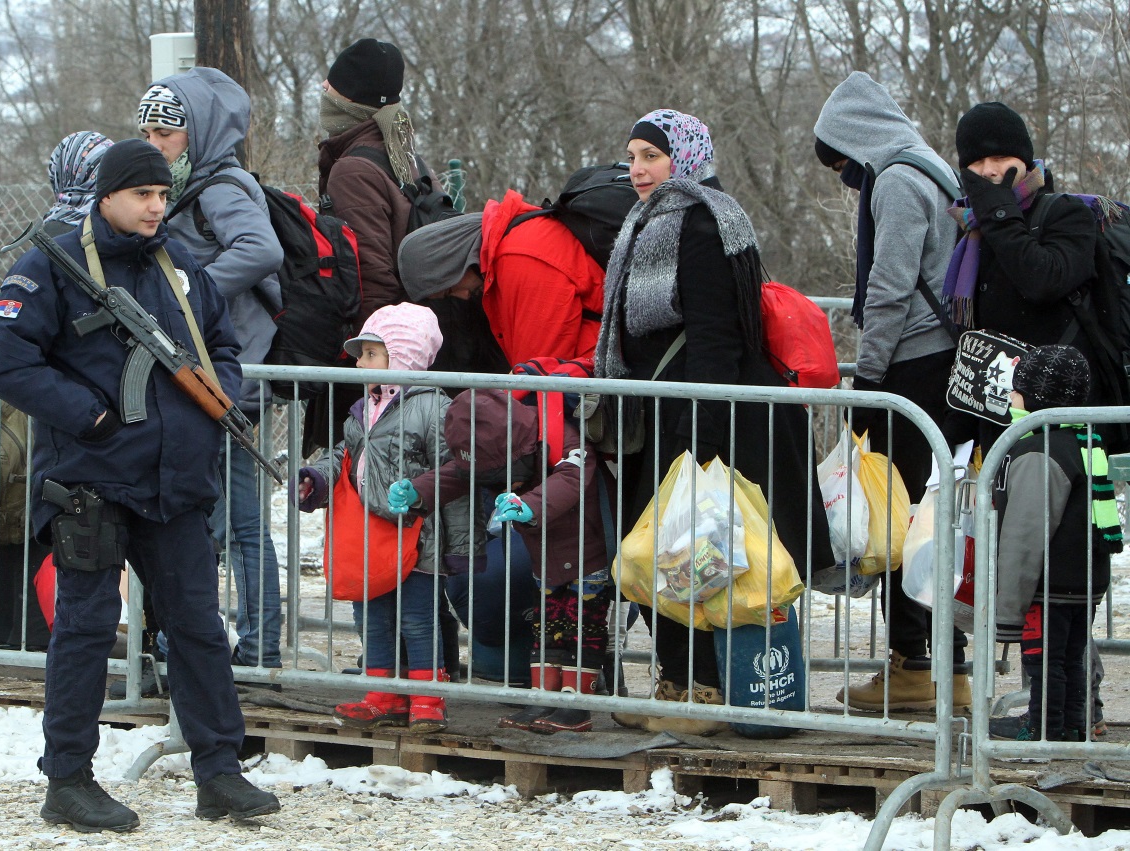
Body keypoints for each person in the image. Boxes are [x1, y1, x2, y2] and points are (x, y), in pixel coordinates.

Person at [0, 139, 279, 831]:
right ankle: (68, 779)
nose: (155, 206)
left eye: (160, 194)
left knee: (199, 628)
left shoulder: (180, 267)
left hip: (174, 481)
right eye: (141, 194)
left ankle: (220, 770)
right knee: (86, 629)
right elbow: (7, 363)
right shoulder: (50, 267)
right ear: (107, 196)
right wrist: (88, 415)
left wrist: (217, 399)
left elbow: (222, 345)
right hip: (92, 479)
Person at [593, 108, 834, 734]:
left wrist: (699, 444)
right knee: (678, 552)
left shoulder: (704, 223)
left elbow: (714, 338)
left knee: (700, 551)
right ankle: (680, 682)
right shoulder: (650, 221)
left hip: (708, 420)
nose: (639, 169)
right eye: (633, 156)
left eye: (652, 155)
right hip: (676, 415)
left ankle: (705, 688)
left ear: (686, 157)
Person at [814, 71, 968, 711]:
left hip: (913, 371)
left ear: (856, 139)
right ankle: (946, 668)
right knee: (934, 522)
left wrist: (869, 378)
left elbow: (890, 290)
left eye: (842, 160)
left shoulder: (899, 182)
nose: (846, 175)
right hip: (944, 367)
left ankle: (914, 666)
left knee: (899, 523)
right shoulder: (930, 167)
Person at [139, 68, 285, 675]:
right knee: (205, 518)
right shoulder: (185, 189)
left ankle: (256, 650)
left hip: (231, 383)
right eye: (145, 131)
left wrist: (187, 293)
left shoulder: (221, 188)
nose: (153, 144)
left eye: (165, 133)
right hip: (202, 377)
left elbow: (261, 250)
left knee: (242, 522)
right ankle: (212, 649)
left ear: (195, 134)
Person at [293, 303, 481, 733]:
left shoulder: (434, 408)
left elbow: (456, 470)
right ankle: (382, 693)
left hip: (418, 536)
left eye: (370, 354)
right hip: (369, 538)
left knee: (417, 618)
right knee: (372, 616)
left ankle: (428, 697)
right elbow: (345, 459)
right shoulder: (362, 410)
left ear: (403, 355)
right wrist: (317, 479)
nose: (359, 364)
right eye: (361, 355)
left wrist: (427, 505)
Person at [0, 131, 114, 654]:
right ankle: (35, 629)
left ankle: (12, 628)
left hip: (36, 400)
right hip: (61, 405)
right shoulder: (82, 235)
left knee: (19, 521)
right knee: (45, 522)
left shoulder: (51, 225)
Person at [391, 387, 614, 733]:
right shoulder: (495, 446)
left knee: (583, 626)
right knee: (548, 626)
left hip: (587, 551)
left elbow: (572, 478)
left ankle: (576, 705)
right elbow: (458, 473)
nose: (505, 480)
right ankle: (544, 697)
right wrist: (419, 490)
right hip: (546, 552)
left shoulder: (560, 434)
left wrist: (532, 504)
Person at [947, 101, 1101, 446]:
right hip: (994, 410)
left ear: (1024, 160)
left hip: (1056, 417)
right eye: (975, 162)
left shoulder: (1067, 213)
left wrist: (999, 213)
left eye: (1000, 158)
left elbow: (1043, 280)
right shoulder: (971, 227)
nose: (987, 171)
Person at [992, 345, 1120, 741]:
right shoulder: (1085, 441)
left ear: (1035, 396)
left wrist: (1007, 612)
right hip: (1083, 580)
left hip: (1048, 585)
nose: (1010, 397)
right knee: (1070, 657)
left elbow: (1024, 538)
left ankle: (1044, 725)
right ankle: (1072, 723)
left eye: (1016, 390)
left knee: (1043, 661)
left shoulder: (1037, 451)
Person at [396, 189, 606, 366]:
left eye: (450, 289)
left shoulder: (520, 257)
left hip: (600, 380)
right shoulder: (510, 246)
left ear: (452, 262)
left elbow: (540, 370)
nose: (463, 296)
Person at [317, 37, 434, 318]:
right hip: (421, 322)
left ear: (352, 98)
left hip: (386, 337)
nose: (323, 85)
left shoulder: (353, 170)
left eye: (335, 83)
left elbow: (370, 277)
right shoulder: (406, 155)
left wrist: (371, 350)